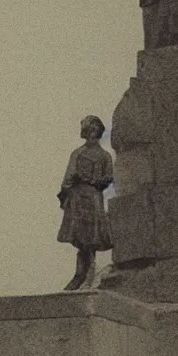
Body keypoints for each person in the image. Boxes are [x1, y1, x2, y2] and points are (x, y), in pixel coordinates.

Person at [57, 116, 113, 290]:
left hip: (83, 197)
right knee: (87, 240)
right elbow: (108, 178)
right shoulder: (103, 155)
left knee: (86, 240)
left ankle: (84, 275)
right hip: (90, 196)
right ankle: (83, 275)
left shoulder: (83, 154)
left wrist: (66, 195)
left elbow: (68, 179)